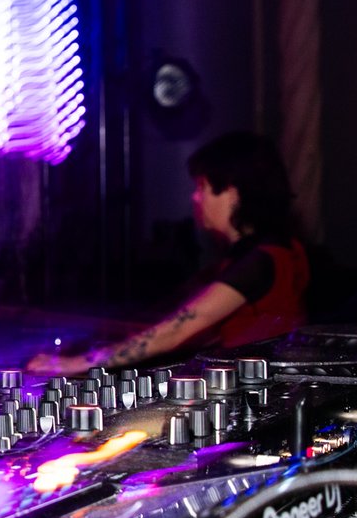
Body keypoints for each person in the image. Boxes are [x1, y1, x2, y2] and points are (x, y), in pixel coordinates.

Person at [28, 132, 309, 375]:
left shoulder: (261, 260)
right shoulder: (273, 250)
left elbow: (176, 331)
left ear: (233, 193)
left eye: (202, 187)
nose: (195, 197)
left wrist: (74, 363)